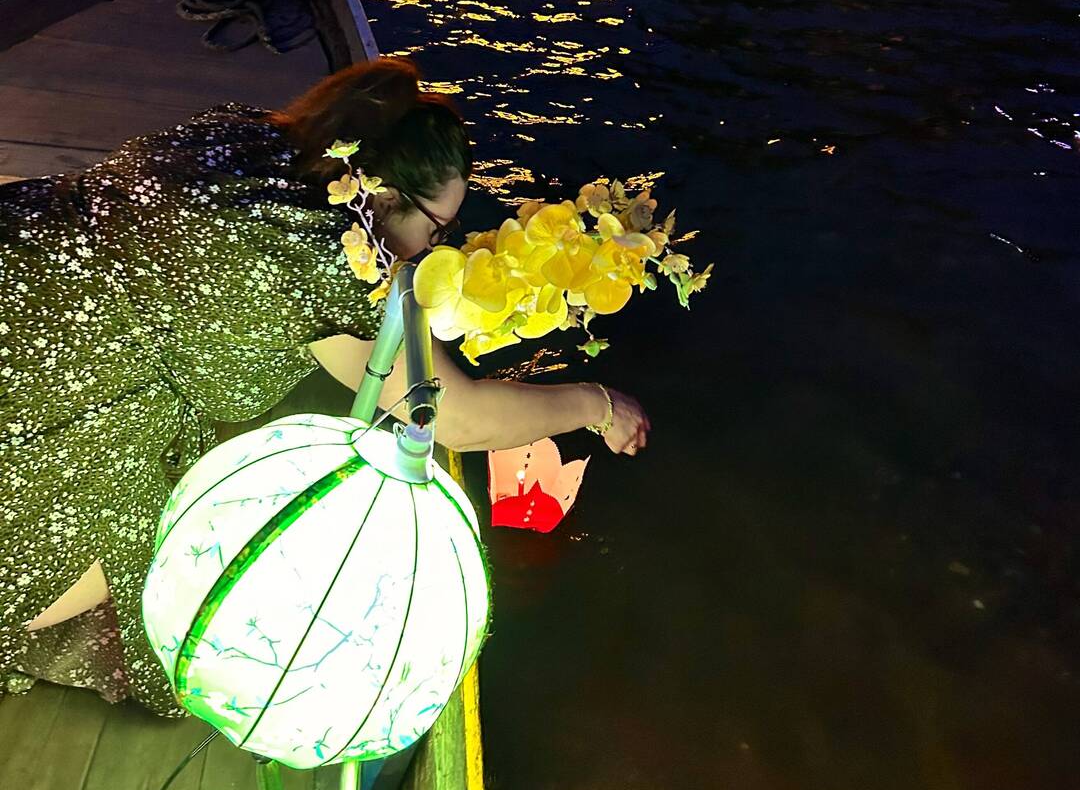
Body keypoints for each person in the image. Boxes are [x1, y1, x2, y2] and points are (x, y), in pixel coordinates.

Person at [0, 55, 650, 717]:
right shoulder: (329, 255)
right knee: (181, 592)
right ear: (385, 198)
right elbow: (456, 418)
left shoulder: (252, 133)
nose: (430, 249)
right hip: (49, 388)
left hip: (22, 248)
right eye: (436, 230)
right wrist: (596, 404)